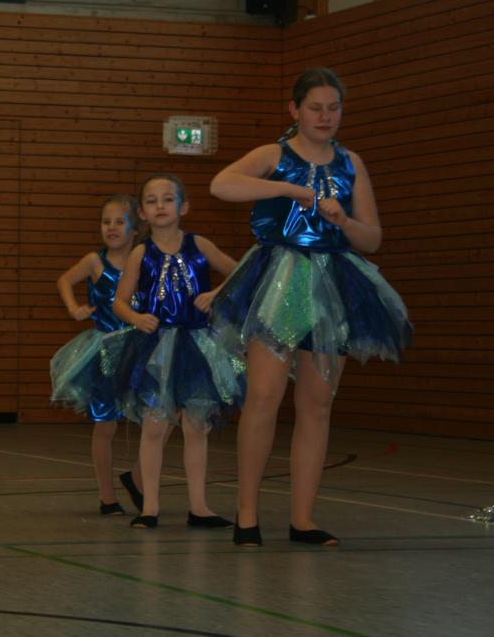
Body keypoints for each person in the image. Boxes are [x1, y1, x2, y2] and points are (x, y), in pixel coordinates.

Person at [209, 67, 412, 546]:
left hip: (332, 283)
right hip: (278, 280)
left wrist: (343, 221)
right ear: (295, 110)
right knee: (264, 396)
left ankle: (303, 519)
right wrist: (291, 189)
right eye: (315, 108)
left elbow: (372, 238)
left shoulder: (351, 163)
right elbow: (222, 185)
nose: (325, 116)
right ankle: (247, 515)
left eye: (333, 108)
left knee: (317, 404)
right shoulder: (274, 155)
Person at [111, 174, 243, 530]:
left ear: (183, 207)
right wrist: (136, 317)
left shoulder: (200, 244)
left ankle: (199, 507)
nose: (160, 206)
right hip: (156, 348)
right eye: (151, 201)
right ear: (142, 212)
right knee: (154, 427)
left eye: (168, 199)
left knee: (196, 427)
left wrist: (216, 294)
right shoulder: (141, 253)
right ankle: (149, 507)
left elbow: (240, 273)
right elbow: (120, 302)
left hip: (197, 345)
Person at [50, 194, 144, 515]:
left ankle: (137, 477)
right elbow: (65, 280)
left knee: (164, 414)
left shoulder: (143, 260)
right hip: (106, 353)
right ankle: (107, 497)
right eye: (106, 222)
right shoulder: (95, 262)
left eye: (119, 222)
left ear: (135, 229)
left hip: (141, 349)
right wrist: (73, 307)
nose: (111, 228)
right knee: (106, 426)